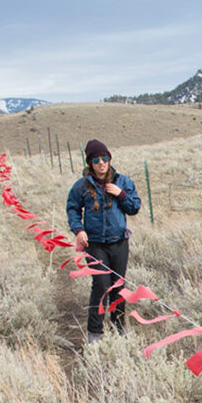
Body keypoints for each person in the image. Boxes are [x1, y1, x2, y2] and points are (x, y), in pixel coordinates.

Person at [66, 139, 141, 343]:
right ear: (90, 162)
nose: (101, 163)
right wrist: (78, 229)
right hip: (95, 245)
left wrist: (121, 194)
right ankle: (94, 333)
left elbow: (134, 207)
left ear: (109, 160)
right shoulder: (82, 185)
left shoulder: (122, 182)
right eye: (96, 160)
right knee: (100, 286)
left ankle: (119, 328)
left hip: (119, 243)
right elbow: (72, 208)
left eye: (105, 158)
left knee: (118, 287)